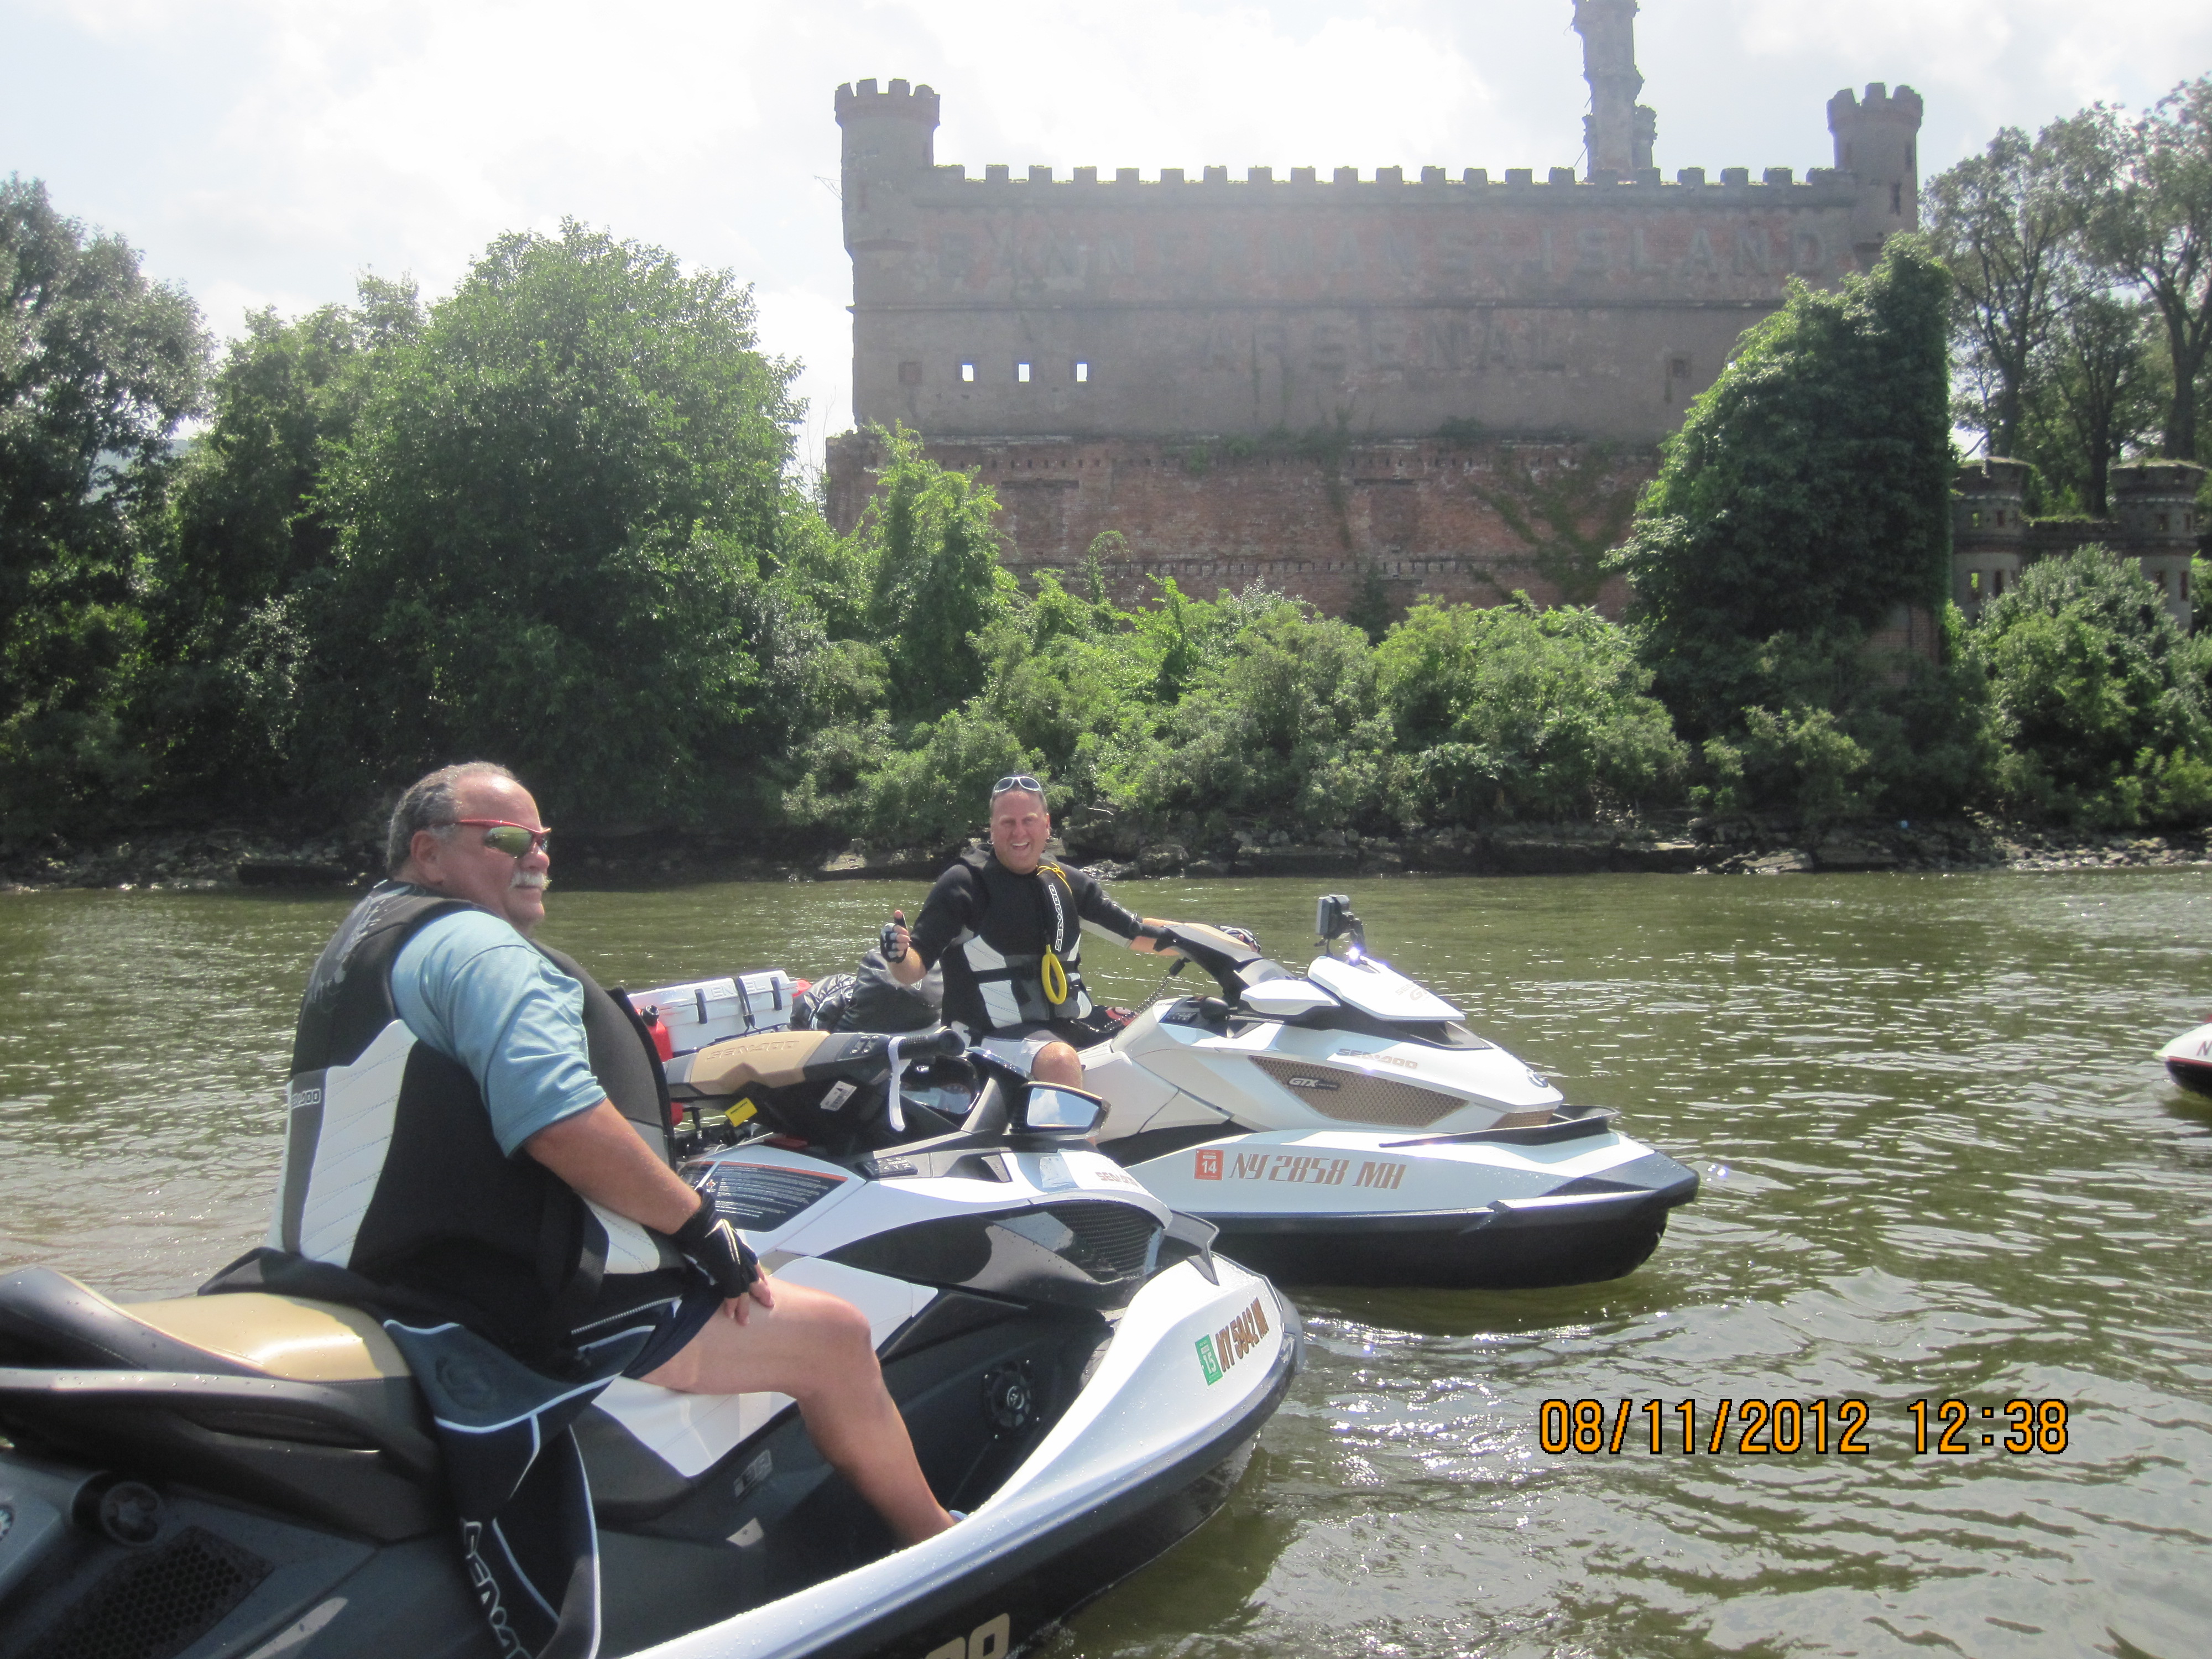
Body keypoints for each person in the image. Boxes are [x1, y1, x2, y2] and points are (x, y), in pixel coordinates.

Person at [265, 760, 953, 1545]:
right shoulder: (476, 948)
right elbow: (561, 1121)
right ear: (428, 852)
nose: (537, 856)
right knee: (835, 1336)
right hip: (476, 1298)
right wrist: (703, 1229)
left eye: (543, 839)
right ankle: (936, 1543)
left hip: (351, 1272)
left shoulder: (363, 943)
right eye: (509, 839)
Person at [884, 774, 1172, 1088]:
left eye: (1028, 821)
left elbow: (1137, 932)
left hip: (1064, 1025)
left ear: (1046, 825)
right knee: (1059, 1060)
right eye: (1008, 822)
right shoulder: (963, 884)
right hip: (983, 1037)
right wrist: (898, 953)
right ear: (992, 828)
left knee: (1158, 1030)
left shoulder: (1065, 881)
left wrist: (1204, 940)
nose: (1019, 832)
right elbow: (911, 971)